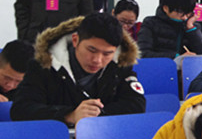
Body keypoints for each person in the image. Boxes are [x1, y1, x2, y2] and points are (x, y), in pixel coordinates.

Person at [10, 12, 145, 125]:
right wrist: (69, 115)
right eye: (91, 50)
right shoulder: (44, 63)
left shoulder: (120, 64)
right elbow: (21, 109)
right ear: (75, 40)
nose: (97, 60)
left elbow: (136, 104)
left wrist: (97, 113)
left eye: (107, 54)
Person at [138, 0, 202, 58]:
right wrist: (177, 57)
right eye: (180, 12)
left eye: (188, 13)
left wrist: (191, 29)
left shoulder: (192, 26)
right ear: (166, 8)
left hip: (187, 66)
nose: (184, 17)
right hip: (160, 65)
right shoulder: (151, 23)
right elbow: (143, 54)